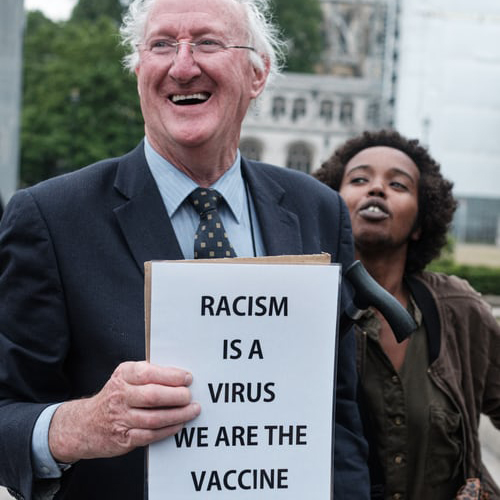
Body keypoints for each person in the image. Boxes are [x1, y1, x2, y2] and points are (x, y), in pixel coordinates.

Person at [0, 0, 370, 499]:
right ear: (139, 72)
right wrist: (79, 425)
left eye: (207, 42)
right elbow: (6, 412)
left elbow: (337, 415)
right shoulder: (49, 218)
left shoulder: (317, 211)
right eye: (161, 44)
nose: (181, 65)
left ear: (256, 74)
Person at [314, 129, 500, 499]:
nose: (376, 189)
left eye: (398, 185)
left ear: (420, 223)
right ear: (330, 204)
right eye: (359, 179)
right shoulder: (300, 309)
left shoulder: (460, 311)